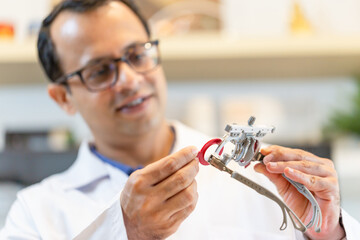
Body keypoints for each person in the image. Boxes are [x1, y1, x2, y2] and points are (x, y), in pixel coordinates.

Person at [1, 0, 359, 239]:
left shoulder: (261, 176)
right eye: (100, 70)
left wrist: (329, 232)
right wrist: (123, 230)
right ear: (64, 97)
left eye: (136, 54)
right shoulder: (34, 213)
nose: (129, 78)